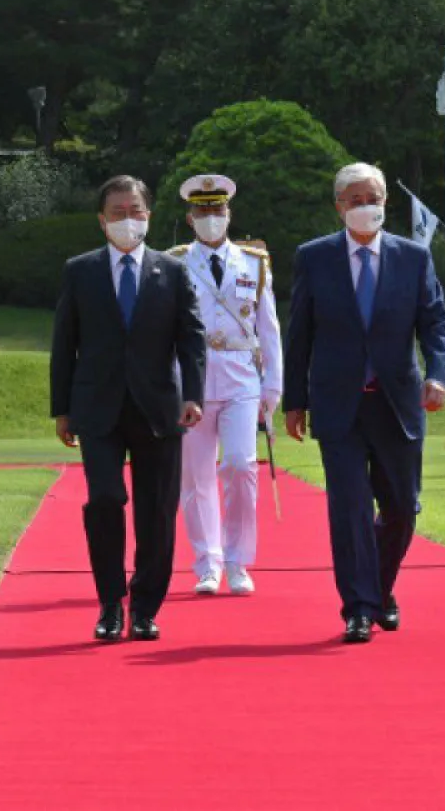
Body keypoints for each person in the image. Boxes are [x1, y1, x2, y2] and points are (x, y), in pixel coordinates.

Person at [283, 162, 445, 644]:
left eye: (372, 198)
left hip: (397, 402)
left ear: (385, 202)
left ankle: (379, 587)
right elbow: (301, 333)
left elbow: (436, 323)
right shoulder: (314, 258)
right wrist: (295, 399)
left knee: (401, 508)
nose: (365, 207)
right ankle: (358, 606)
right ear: (339, 206)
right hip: (339, 404)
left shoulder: (413, 258)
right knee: (350, 507)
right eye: (354, 200)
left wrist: (438, 376)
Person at [50, 175, 206, 642]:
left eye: (135, 211)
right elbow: (65, 343)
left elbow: (191, 338)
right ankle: (109, 604)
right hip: (96, 406)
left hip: (159, 408)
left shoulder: (172, 272)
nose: (127, 219)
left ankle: (143, 608)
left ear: (149, 217)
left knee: (156, 512)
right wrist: (62, 408)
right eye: (117, 212)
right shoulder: (80, 271)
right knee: (105, 499)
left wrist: (192, 395)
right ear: (102, 220)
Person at [169, 173, 281, 597]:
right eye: (203, 210)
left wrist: (273, 387)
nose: (211, 216)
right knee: (195, 477)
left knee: (238, 465)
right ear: (190, 216)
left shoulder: (254, 262)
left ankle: (237, 560)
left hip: (240, 376)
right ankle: (207, 562)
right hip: (191, 379)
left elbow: (268, 329)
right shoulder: (176, 261)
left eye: (217, 209)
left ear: (229, 213)